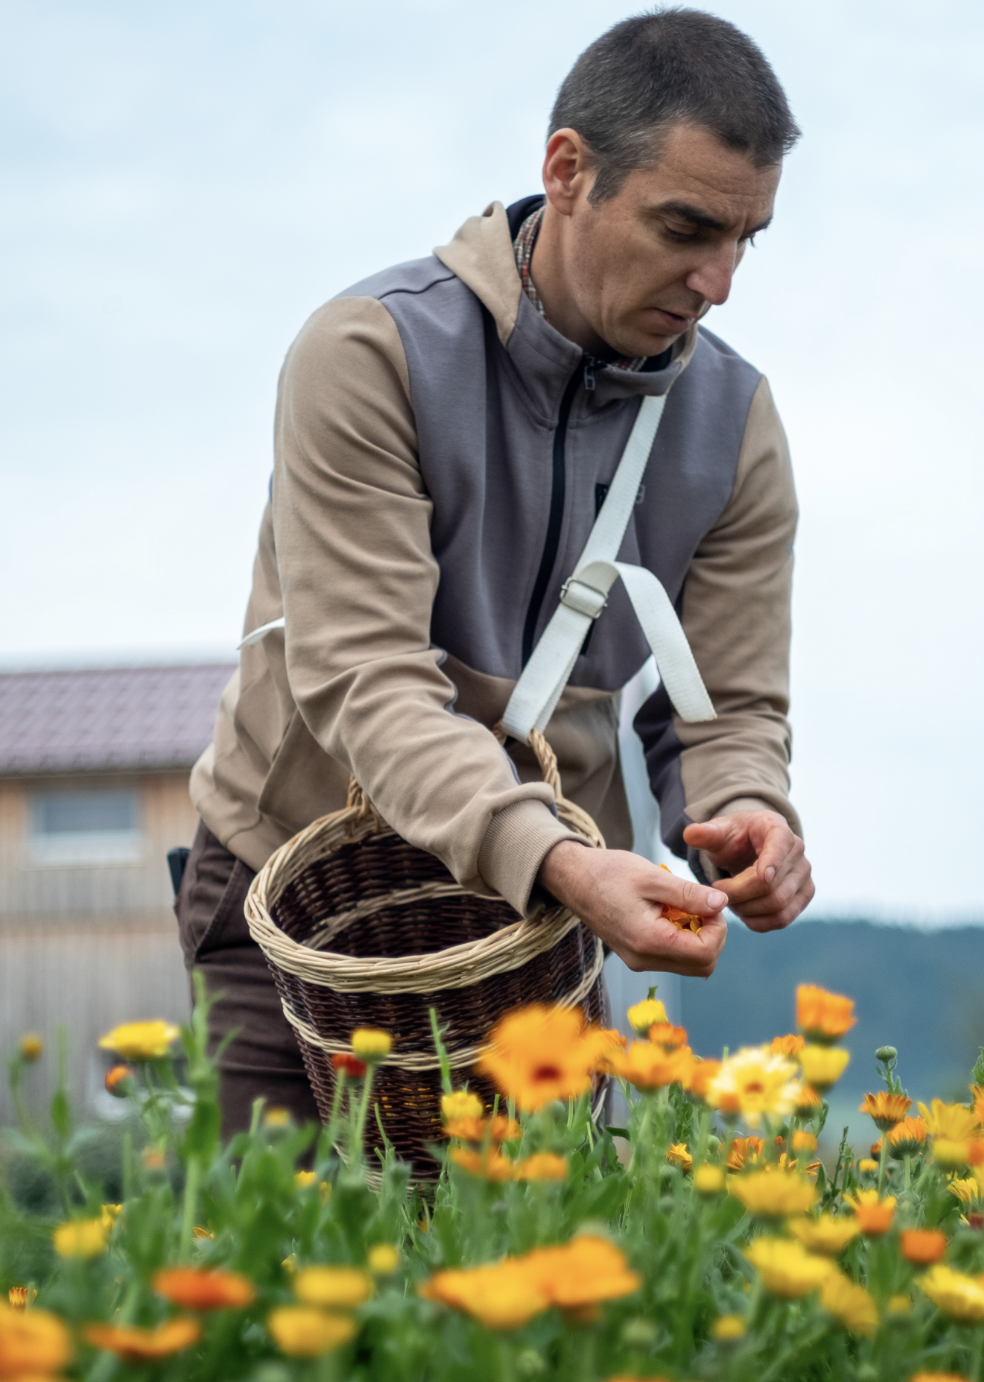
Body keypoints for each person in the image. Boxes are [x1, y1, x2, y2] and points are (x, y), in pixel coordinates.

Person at [176, 8, 815, 1134]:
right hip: (302, 885)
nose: (717, 282)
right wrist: (562, 860)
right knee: (268, 1243)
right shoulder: (370, 353)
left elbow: (724, 708)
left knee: (546, 1246)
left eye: (745, 240)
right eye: (684, 228)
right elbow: (370, 680)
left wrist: (745, 809)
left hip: (539, 925)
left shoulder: (737, 424)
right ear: (568, 171)